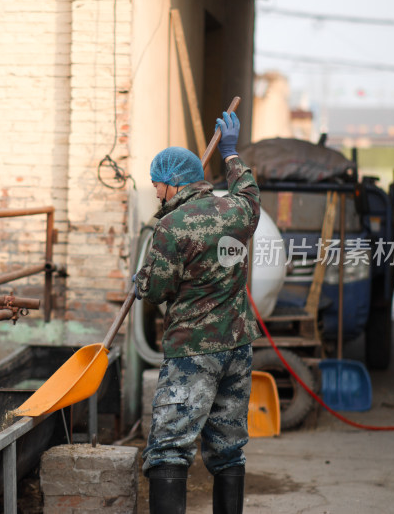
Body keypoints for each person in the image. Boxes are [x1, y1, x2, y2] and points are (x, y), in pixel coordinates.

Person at [133, 110, 261, 514]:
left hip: (193, 352)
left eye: (156, 182)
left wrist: (140, 281)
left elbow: (156, 290)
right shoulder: (239, 212)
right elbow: (249, 190)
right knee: (228, 448)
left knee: (170, 447)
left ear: (172, 183)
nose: (155, 190)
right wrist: (231, 152)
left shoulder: (171, 227)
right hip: (237, 348)